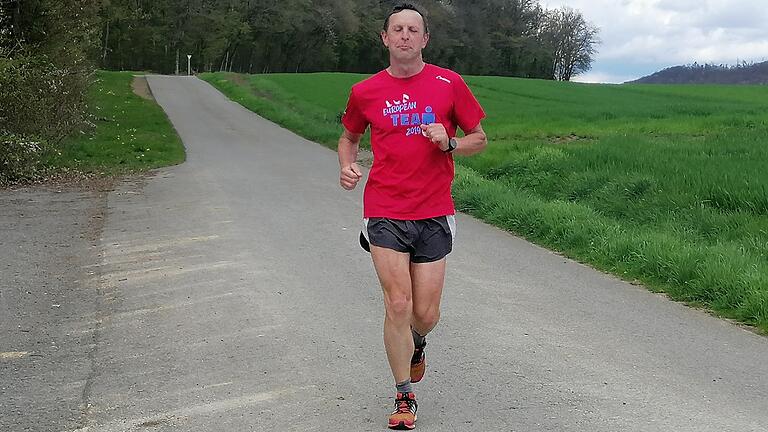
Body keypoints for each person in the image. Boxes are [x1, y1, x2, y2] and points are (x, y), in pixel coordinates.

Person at [337, 3, 487, 430]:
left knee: (426, 313)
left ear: (424, 39)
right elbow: (348, 137)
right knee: (397, 303)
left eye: (413, 30)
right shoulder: (365, 91)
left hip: (434, 211)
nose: (404, 36)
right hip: (384, 208)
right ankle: (404, 396)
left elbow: (480, 138)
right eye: (397, 29)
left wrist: (451, 143)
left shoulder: (449, 84)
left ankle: (417, 343)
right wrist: (346, 164)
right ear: (385, 38)